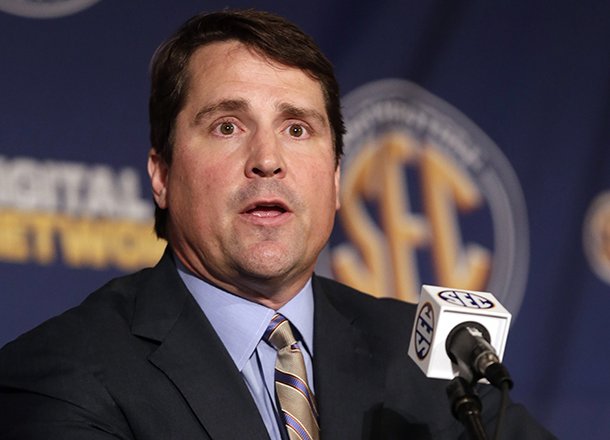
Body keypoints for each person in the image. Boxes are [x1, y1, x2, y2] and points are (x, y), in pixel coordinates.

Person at [0, 9, 554, 440]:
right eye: (226, 126)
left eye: (296, 129)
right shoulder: (63, 372)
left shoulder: (427, 359)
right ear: (162, 174)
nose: (267, 158)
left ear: (336, 180)